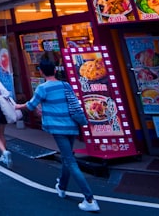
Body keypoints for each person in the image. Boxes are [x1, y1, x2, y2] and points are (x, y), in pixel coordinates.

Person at [18, 58, 99, 212]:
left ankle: (89, 199)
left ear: (41, 72)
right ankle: (62, 186)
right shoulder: (65, 85)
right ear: (55, 70)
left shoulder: (43, 88)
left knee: (70, 161)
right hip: (71, 126)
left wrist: (17, 106)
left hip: (58, 128)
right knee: (67, 157)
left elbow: (31, 106)